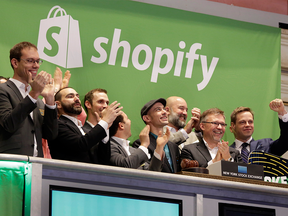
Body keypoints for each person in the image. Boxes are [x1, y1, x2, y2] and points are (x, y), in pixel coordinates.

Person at [0, 41, 58, 157]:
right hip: (11, 163)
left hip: (36, 163)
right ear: (15, 63)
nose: (36, 65)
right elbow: (8, 125)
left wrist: (50, 100)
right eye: (30, 61)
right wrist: (34, 93)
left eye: (37, 61)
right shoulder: (3, 90)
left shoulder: (38, 100)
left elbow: (50, 135)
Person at [48, 87, 123, 163]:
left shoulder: (82, 129)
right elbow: (81, 144)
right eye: (70, 96)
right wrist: (104, 122)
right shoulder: (57, 124)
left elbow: (103, 160)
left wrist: (106, 129)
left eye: (77, 96)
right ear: (58, 104)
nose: (77, 99)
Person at [229, 98, 288, 163]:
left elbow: (286, 141)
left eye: (250, 122)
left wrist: (282, 112)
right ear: (233, 125)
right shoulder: (227, 152)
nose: (247, 125)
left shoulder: (266, 145)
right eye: (242, 122)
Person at [133, 98, 181, 173]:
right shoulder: (140, 144)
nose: (164, 112)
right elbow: (147, 173)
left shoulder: (173, 146)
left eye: (164, 109)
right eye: (158, 110)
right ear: (147, 118)